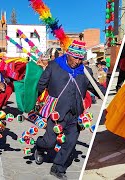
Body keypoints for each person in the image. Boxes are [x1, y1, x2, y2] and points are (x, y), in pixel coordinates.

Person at [34, 40, 106, 179]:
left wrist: (106, 95)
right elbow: (41, 84)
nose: (78, 61)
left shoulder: (86, 72)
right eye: (75, 58)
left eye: (81, 58)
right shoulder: (54, 66)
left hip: (75, 114)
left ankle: (58, 167)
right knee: (50, 142)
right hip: (56, 113)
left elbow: (96, 88)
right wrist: (34, 102)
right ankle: (40, 147)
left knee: (71, 142)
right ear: (68, 55)